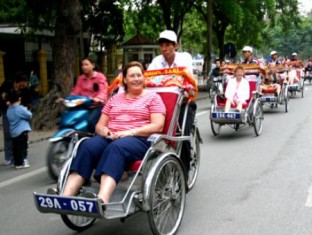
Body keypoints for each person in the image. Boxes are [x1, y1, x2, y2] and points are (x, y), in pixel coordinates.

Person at [62, 61, 166, 203]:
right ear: (125, 79)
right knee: (87, 146)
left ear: (144, 78)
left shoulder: (153, 98)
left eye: (139, 75)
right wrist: (104, 130)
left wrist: (130, 132)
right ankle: (65, 197)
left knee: (116, 147)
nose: (136, 79)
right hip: (112, 136)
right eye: (132, 76)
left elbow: (158, 126)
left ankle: (102, 199)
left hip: (139, 139)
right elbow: (99, 125)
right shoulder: (115, 99)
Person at [147, 29, 197, 179]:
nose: (164, 49)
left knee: (184, 134)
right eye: (162, 45)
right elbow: (148, 80)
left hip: (183, 102)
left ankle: (185, 173)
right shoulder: (156, 61)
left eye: (168, 45)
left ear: (176, 45)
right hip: (160, 102)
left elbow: (186, 81)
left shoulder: (185, 58)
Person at [57, 57, 109, 133]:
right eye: (82, 65)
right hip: (83, 104)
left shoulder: (100, 77)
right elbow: (75, 91)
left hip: (97, 105)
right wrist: (67, 98)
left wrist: (98, 98)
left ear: (93, 65)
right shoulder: (80, 78)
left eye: (86, 64)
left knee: (91, 122)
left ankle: (95, 138)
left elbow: (103, 90)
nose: (84, 67)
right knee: (68, 118)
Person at [6, 90, 32, 169]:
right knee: (23, 147)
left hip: (13, 132)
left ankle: (17, 163)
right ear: (19, 99)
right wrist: (26, 109)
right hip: (22, 131)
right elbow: (29, 115)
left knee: (16, 148)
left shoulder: (9, 110)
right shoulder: (20, 109)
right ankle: (24, 160)